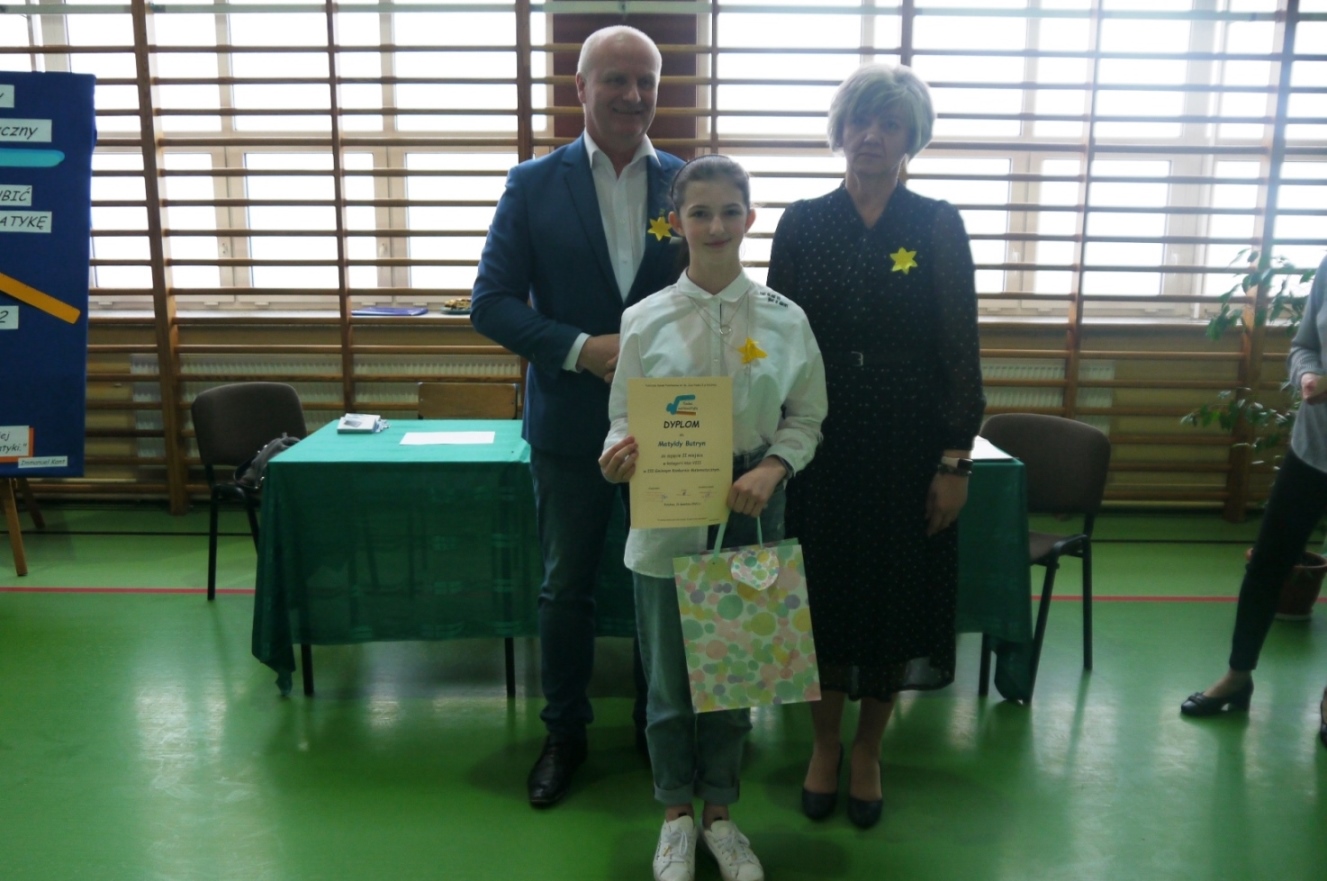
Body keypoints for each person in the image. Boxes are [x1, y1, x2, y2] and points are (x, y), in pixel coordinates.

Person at [470, 25, 686, 808]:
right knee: (566, 589)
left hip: (672, 427)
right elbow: (489, 302)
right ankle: (564, 732)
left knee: (663, 581)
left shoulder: (685, 183)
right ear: (580, 89)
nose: (632, 95)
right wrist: (576, 349)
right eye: (615, 80)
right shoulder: (533, 184)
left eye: (645, 81)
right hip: (568, 425)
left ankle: (658, 727)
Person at [765, 64, 986, 829]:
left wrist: (953, 459)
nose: (870, 136)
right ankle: (824, 744)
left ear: (910, 137)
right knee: (818, 591)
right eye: (859, 120)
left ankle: (868, 749)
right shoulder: (801, 222)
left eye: (888, 123)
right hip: (818, 436)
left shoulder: (936, 224)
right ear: (839, 130)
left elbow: (960, 349)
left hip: (906, 438)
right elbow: (772, 339)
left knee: (894, 590)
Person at [599, 155, 827, 881]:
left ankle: (721, 817)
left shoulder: (784, 319)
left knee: (735, 683)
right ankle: (674, 817)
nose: (716, 226)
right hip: (666, 512)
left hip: (750, 509)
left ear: (749, 219)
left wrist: (772, 467)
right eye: (700, 213)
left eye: (730, 211)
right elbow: (620, 418)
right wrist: (617, 456)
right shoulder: (645, 319)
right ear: (677, 222)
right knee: (669, 687)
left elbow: (807, 417)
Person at [1181, 254, 1327, 752]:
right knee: (1267, 563)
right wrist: (1306, 375)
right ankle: (1237, 676)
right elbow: (1305, 345)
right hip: (1312, 450)